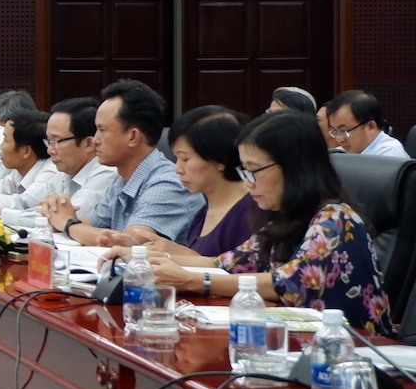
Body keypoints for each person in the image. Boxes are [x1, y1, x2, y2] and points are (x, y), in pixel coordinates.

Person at [149, 111, 390, 332]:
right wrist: (147, 261)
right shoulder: (285, 218)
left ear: (293, 167)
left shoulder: (337, 219)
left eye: (254, 170)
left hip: (352, 348)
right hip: (294, 343)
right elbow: (226, 263)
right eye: (244, 171)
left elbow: (285, 283)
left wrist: (194, 281)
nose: (248, 182)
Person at [45, 80, 202, 243]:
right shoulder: (120, 181)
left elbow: (129, 243)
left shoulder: (168, 183)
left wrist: (68, 223)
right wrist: (56, 214)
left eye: (102, 130)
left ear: (133, 137)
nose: (95, 140)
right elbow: (85, 227)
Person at [113, 106, 264, 258]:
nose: (177, 169)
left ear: (220, 159)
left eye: (185, 159)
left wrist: (181, 256)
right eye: (177, 158)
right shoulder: (204, 212)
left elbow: (244, 268)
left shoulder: (252, 212)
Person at [35, 97, 122, 223]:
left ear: (89, 143)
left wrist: (5, 214)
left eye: (57, 141)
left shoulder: (106, 173)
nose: (50, 150)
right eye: (49, 141)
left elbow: (65, 219)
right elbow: (25, 201)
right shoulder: (65, 173)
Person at [0, 110, 67, 231]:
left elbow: (33, 210)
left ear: (25, 151)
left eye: (5, 140)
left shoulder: (50, 172)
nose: (0, 146)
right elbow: (19, 201)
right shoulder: (20, 171)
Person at [323, 90, 407, 159]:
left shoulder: (390, 154)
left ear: (370, 127)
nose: (339, 140)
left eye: (344, 131)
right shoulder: (341, 153)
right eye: (334, 131)